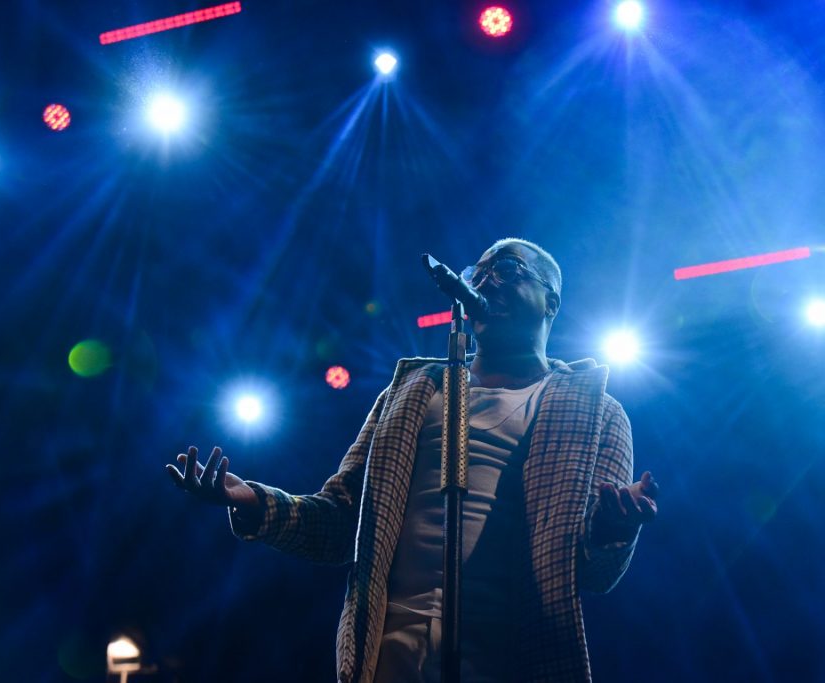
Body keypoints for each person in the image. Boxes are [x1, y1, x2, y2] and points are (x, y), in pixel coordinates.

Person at [166, 238, 659, 683]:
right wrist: (254, 501)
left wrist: (615, 528)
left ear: (551, 300)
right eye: (477, 273)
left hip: (513, 652)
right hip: (391, 647)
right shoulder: (411, 393)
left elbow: (594, 573)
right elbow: (342, 520)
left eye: (508, 268)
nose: (485, 280)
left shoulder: (595, 412)